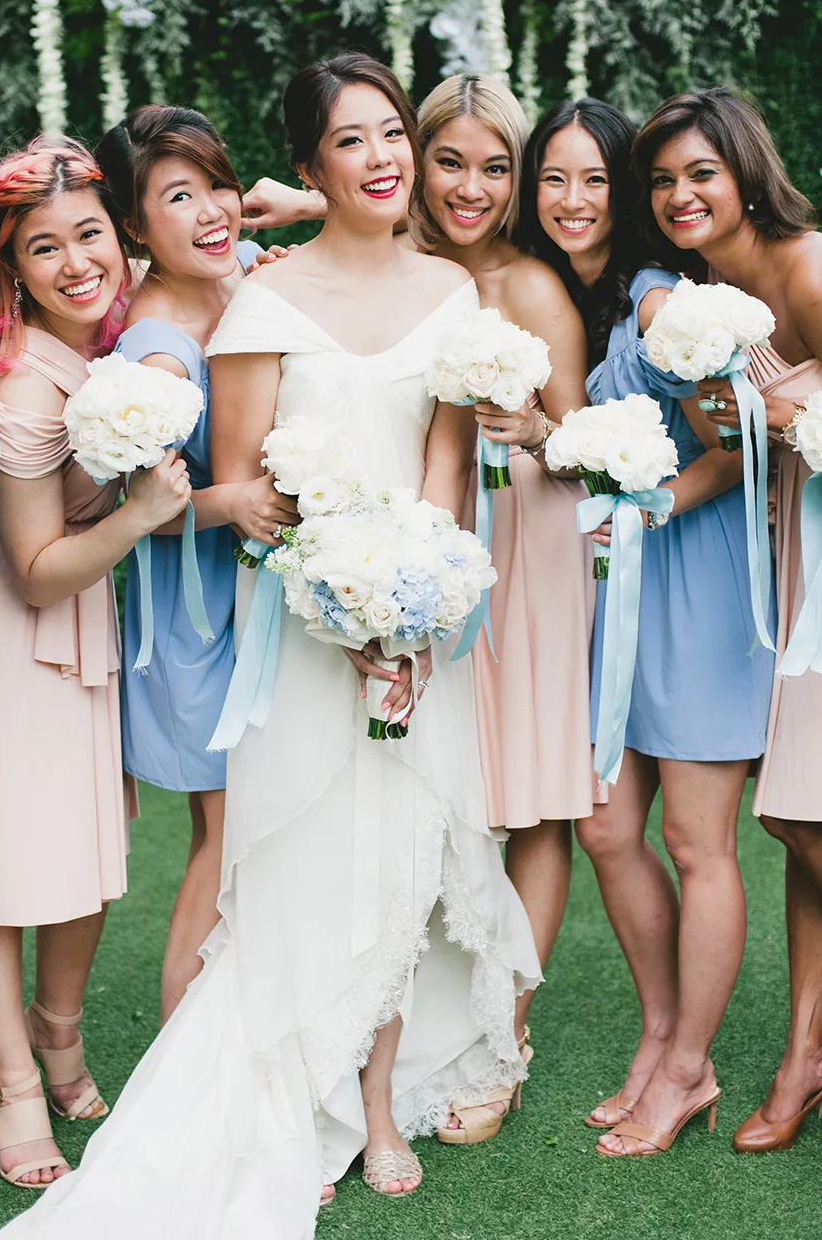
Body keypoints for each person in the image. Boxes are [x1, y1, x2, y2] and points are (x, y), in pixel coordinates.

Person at [0, 53, 538, 1240]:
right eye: (353, 141)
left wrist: (421, 612)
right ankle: (304, 1088)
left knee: (400, 861)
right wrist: (343, 617)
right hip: (300, 633)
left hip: (415, 626)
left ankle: (380, 1106)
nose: (387, 157)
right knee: (300, 866)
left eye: (392, 131)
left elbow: (446, 470)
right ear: (309, 168)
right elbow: (243, 496)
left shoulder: (454, 296)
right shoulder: (264, 305)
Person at [241, 76, 595, 1142]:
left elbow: (572, 447)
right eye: (450, 160)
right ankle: (347, 1043)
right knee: (430, 800)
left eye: (498, 167)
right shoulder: (368, 274)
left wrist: (525, 423)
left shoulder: (523, 288)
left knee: (523, 795)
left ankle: (500, 1034)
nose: (471, 184)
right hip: (405, 566)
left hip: (512, 560)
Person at [0, 139, 191, 1192]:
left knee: (80, 853)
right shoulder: (19, 378)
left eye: (91, 237)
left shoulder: (119, 338)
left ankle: (58, 1037)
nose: (77, 263)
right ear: (10, 268)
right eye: (44, 248)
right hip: (4, 634)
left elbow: (218, 235)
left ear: (122, 239)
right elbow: (33, 569)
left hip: (77, 628)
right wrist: (148, 512)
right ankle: (12, 1086)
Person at [522, 96, 773, 1156]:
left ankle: (681, 1069)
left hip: (697, 576)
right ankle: (665, 1036)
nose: (576, 199)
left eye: (597, 178)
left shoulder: (661, 293)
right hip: (618, 583)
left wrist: (667, 492)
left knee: (692, 838)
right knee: (607, 828)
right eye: (554, 178)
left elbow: (735, 441)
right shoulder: (572, 297)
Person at [635, 87, 822, 1153]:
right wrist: (642, 497)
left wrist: (789, 413)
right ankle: (803, 1056)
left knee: (804, 816)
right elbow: (732, 450)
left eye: (699, 172)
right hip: (796, 554)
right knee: (800, 814)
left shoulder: (804, 266)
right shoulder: (702, 301)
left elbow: (789, 421)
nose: (677, 194)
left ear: (746, 169)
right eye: (660, 179)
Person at [96, 105, 296, 1022]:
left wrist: (291, 209)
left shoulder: (242, 270)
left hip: (258, 596)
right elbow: (145, 510)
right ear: (136, 226)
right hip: (200, 612)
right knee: (226, 836)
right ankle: (184, 1069)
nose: (214, 209)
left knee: (260, 833)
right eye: (180, 195)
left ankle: (253, 1027)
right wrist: (236, 501)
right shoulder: (159, 352)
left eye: (218, 182)